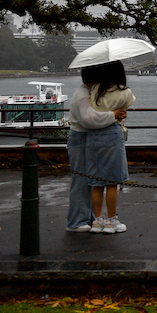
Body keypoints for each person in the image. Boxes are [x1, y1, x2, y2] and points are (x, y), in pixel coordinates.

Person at [66, 65, 126, 233]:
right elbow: (89, 119)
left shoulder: (88, 92)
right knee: (81, 181)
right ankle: (76, 221)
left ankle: (90, 218)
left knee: (90, 179)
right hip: (80, 138)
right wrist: (112, 115)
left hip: (86, 138)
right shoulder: (83, 94)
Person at [84, 61, 133, 234]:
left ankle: (98, 221)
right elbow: (127, 105)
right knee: (112, 181)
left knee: (96, 181)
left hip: (93, 135)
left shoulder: (95, 89)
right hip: (112, 133)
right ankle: (112, 221)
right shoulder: (124, 92)